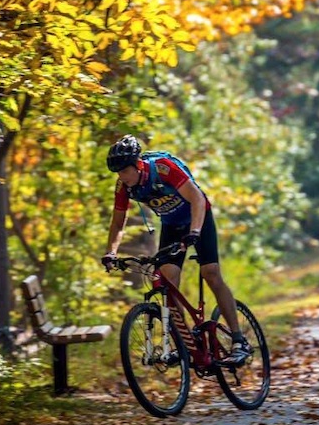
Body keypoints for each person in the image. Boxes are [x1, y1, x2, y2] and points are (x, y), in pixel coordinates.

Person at [102, 135, 251, 364]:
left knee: (210, 272)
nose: (122, 176)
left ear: (138, 164)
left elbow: (197, 199)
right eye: (118, 173)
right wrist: (111, 252)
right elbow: (118, 222)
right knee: (166, 280)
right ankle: (187, 343)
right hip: (171, 225)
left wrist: (195, 231)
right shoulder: (124, 186)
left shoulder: (163, 169)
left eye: (124, 171)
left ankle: (239, 340)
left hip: (198, 217)